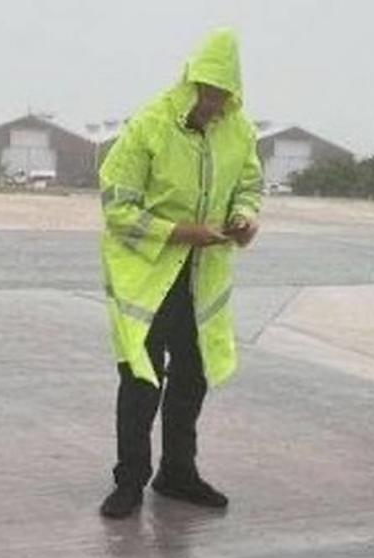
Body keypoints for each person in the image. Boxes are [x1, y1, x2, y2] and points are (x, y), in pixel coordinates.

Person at [98, 27, 262, 519]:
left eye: (223, 96)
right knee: (142, 379)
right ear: (191, 84)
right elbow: (117, 208)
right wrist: (180, 232)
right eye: (208, 93)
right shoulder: (149, 125)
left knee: (192, 375)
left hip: (200, 275)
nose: (214, 104)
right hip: (147, 273)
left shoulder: (238, 129)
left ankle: (177, 473)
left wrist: (244, 218)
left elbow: (250, 185)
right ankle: (129, 480)